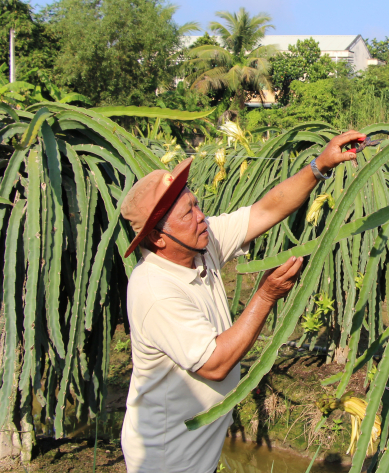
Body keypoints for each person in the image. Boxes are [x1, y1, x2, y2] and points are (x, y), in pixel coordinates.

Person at [118, 130, 365, 473]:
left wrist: (320, 165)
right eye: (188, 214)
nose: (201, 217)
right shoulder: (155, 291)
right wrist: (265, 296)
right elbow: (215, 364)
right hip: (166, 458)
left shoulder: (200, 245)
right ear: (159, 237)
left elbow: (264, 211)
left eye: (196, 205)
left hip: (198, 446)